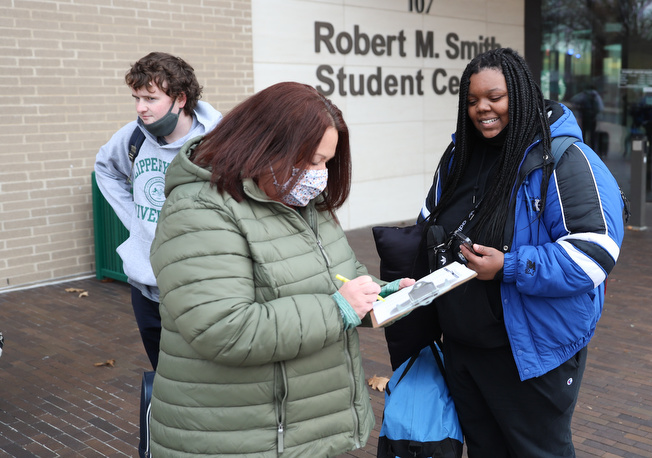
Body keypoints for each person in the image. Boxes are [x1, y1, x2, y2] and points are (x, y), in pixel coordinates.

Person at [147, 82, 415, 457]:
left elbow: (340, 277)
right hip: (238, 438)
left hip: (301, 433)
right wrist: (338, 309)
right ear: (266, 146)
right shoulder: (199, 209)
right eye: (312, 160)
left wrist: (379, 295)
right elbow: (221, 328)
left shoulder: (299, 199)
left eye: (326, 161)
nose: (319, 175)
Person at [419, 48, 626, 457]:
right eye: (473, 99)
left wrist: (509, 267)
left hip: (529, 354)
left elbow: (594, 253)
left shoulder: (564, 159)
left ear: (520, 93)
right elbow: (428, 223)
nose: (482, 109)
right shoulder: (460, 156)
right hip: (464, 348)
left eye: (495, 97)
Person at [94, 52, 222, 371]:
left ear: (180, 98)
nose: (140, 108)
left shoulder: (218, 143)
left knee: (202, 377)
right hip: (146, 287)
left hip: (199, 288)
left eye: (150, 98)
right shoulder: (134, 136)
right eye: (136, 98)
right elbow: (105, 169)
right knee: (164, 375)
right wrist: (135, 220)